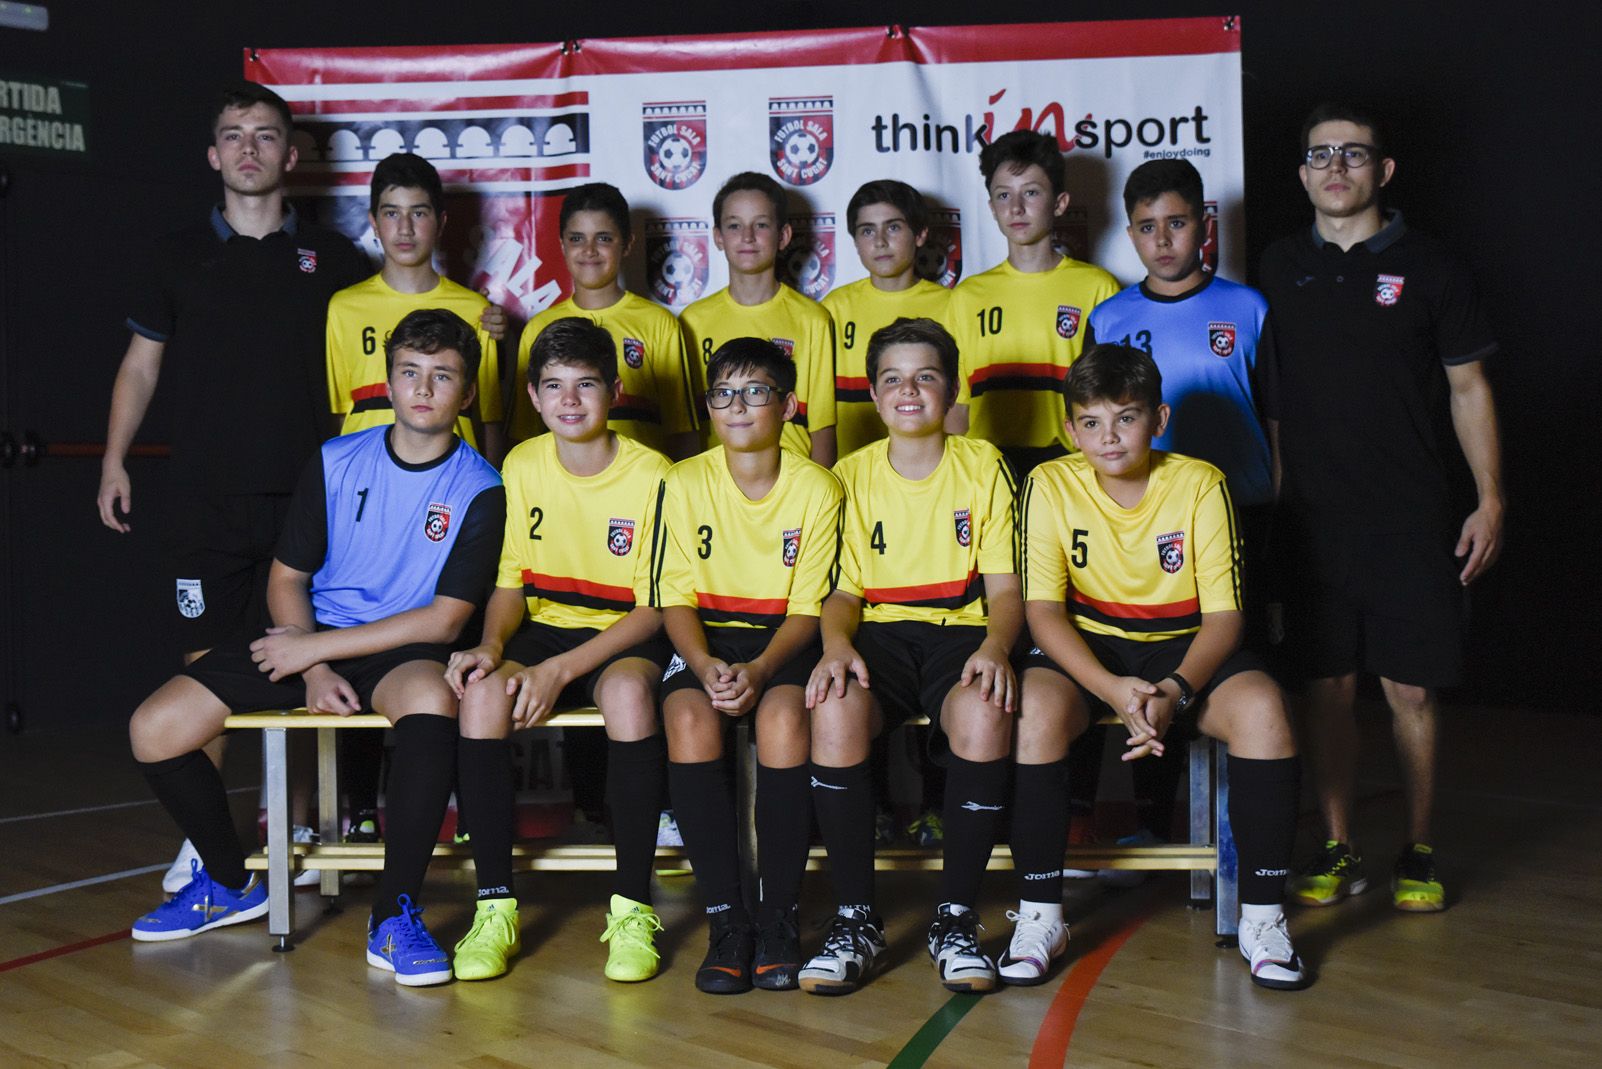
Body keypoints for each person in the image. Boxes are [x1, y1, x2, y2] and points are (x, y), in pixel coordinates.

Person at [127, 309, 506, 989]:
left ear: (468, 394)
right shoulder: (336, 459)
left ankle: (393, 912)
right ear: (387, 382)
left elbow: (446, 621)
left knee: (431, 701)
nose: (423, 388)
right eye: (410, 373)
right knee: (154, 729)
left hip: (402, 643)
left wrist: (316, 651)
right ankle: (229, 881)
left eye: (442, 375)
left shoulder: (482, 486)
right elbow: (286, 579)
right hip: (313, 635)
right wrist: (316, 664)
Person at [97, 82, 371, 891]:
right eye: (232, 136)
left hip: (308, 507)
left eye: (263, 135)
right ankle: (207, 841)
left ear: (290, 155)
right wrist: (114, 457)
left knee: (312, 664)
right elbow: (140, 364)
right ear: (213, 155)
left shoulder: (339, 261)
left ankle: (318, 822)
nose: (248, 149)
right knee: (206, 670)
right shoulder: (175, 255)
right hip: (204, 506)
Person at [1261, 104, 1503, 913]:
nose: (1336, 167)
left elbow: (1470, 388)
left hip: (1410, 516)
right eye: (1321, 154)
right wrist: (1277, 506)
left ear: (1383, 171)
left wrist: (1490, 497)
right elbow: (1274, 413)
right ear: (1302, 174)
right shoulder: (1278, 267)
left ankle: (1420, 851)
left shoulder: (1433, 267)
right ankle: (1336, 844)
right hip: (1313, 524)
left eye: (1354, 154)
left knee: (1411, 693)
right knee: (1326, 690)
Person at [1016, 343, 1308, 990]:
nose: (1109, 436)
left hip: (1185, 647)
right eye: (1090, 422)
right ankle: (1040, 914)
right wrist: (1114, 690)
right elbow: (1043, 614)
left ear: (1159, 418)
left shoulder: (1200, 482)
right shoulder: (1049, 483)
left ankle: (1263, 918)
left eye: (1126, 417)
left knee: (1265, 712)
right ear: (1069, 430)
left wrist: (1174, 689)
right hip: (1093, 651)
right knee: (1034, 711)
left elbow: (1225, 619)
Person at [445, 318, 672, 984]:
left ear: (615, 391)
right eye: (554, 387)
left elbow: (653, 608)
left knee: (629, 695)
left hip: (622, 632)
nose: (570, 401)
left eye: (586, 385)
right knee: (481, 692)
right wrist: (491, 645)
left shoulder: (653, 472)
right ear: (535, 398)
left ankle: (633, 908)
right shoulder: (520, 462)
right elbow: (511, 585)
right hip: (544, 627)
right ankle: (494, 907)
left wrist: (560, 669)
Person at [798, 318, 1019, 996]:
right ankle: (856, 918)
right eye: (892, 378)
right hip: (879, 636)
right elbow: (840, 592)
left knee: (985, 710)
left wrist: (995, 645)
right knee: (833, 708)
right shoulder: (850, 474)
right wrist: (835, 646)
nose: (909, 390)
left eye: (926, 376)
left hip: (961, 632)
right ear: (872, 392)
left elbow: (1006, 588)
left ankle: (954, 919)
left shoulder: (983, 463)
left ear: (951, 389)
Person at [1082, 159, 1278, 860]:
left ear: (1203, 224)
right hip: (1149, 524)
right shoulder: (1111, 317)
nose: (1162, 239)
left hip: (1244, 515)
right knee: (1152, 655)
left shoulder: (1249, 308)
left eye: (1177, 222)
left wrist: (1276, 501)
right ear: (1130, 233)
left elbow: (1275, 419)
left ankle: (1236, 837)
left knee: (1235, 673)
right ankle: (1145, 820)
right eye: (1146, 227)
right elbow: (1096, 422)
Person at [652, 338, 844, 994]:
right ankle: (728, 920)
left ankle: (779, 916)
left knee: (786, 720)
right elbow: (674, 595)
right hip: (707, 640)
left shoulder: (817, 487)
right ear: (708, 406)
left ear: (789, 405)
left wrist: (761, 669)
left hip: (782, 643)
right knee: (686, 717)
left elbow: (809, 606)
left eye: (757, 391)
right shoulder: (683, 481)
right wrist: (703, 664)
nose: (739, 406)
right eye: (724, 394)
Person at [949, 130, 1119, 477]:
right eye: (1003, 195)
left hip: (1073, 468)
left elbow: (1113, 398)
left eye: (1031, 192)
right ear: (991, 208)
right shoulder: (968, 296)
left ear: (1059, 202)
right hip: (987, 472)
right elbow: (956, 408)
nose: (1016, 207)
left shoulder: (1097, 287)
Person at [326, 152, 505, 463]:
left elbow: (489, 418)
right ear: (374, 223)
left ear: (440, 222)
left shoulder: (474, 309)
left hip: (451, 480)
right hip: (368, 475)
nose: (405, 228)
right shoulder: (345, 307)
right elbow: (341, 415)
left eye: (419, 213)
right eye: (392, 213)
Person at [509, 182, 700, 459]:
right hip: (564, 490)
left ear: (627, 244)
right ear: (562, 244)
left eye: (603, 238)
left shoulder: (658, 323)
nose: (589, 250)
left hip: (639, 489)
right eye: (577, 238)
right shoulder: (538, 329)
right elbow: (522, 432)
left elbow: (682, 429)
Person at [679, 173, 837, 466]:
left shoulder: (811, 319)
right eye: (734, 225)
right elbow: (688, 427)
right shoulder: (692, 321)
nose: (747, 236)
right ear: (718, 236)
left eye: (761, 225)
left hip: (792, 482)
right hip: (718, 484)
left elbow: (823, 426)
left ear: (784, 236)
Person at [822, 181, 951, 458]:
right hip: (853, 468)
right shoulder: (834, 307)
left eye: (893, 227)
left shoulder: (950, 305)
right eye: (867, 230)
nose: (880, 241)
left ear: (920, 234)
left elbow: (958, 402)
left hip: (927, 467)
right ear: (855, 241)